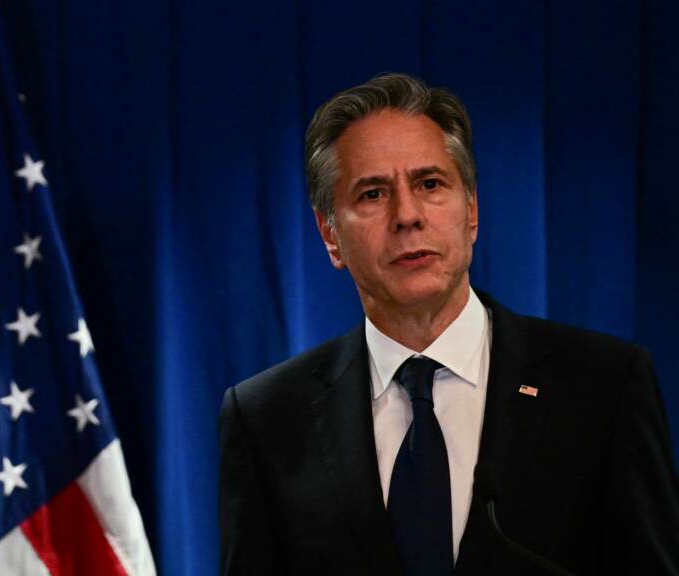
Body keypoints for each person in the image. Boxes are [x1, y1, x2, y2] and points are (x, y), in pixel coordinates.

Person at [218, 73, 679, 575]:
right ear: (330, 234)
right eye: (373, 194)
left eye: (430, 184)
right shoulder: (267, 418)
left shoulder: (604, 388)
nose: (407, 215)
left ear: (472, 210)